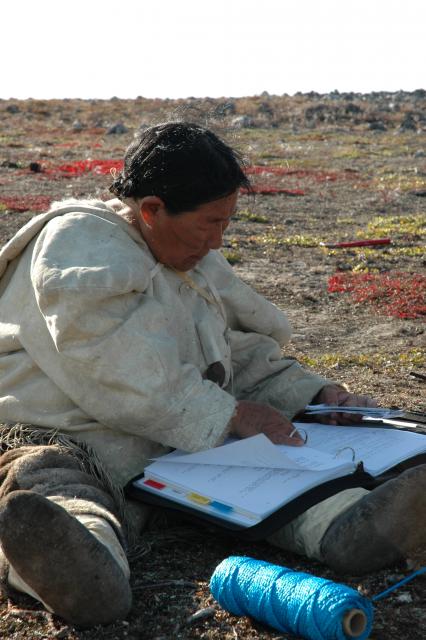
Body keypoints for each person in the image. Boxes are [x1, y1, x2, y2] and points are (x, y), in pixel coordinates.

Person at [0, 121, 424, 628]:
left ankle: (349, 526)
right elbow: (113, 363)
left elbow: (228, 349)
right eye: (210, 223)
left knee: (264, 475)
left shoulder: (186, 254)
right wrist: (230, 414)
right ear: (152, 209)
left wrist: (315, 394)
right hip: (69, 433)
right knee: (58, 488)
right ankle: (83, 575)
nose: (219, 239)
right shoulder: (81, 246)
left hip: (171, 444)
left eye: (226, 222)